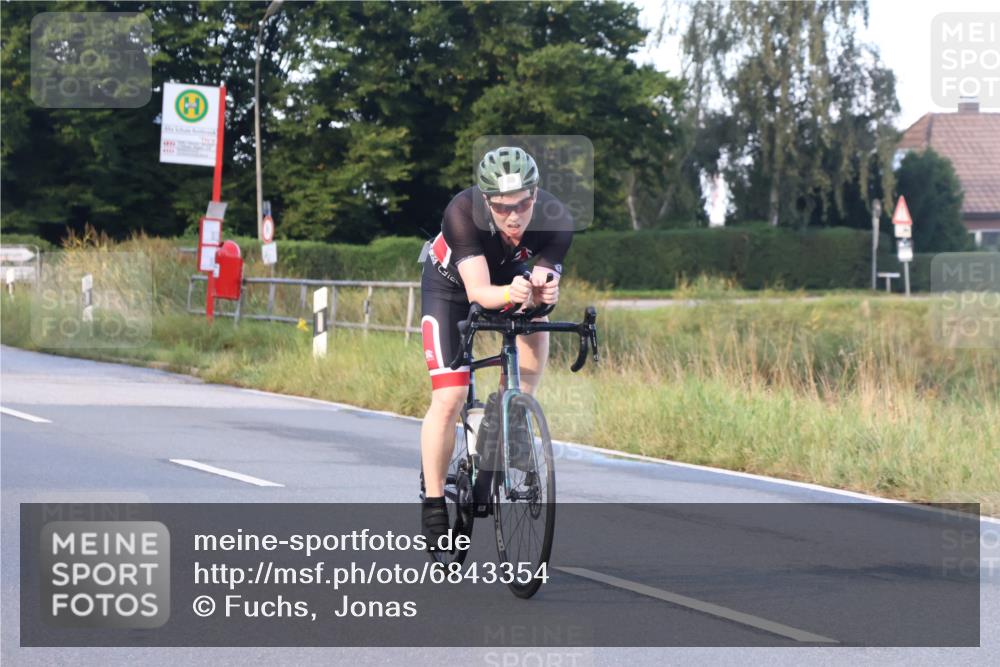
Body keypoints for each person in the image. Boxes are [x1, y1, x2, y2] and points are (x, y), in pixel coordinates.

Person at [419, 147, 573, 547]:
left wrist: (543, 293)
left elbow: (541, 288)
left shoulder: (557, 221)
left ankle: (512, 408)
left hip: (508, 280)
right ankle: (434, 502)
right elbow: (480, 292)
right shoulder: (462, 211)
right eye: (503, 207)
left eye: (523, 204)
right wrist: (512, 291)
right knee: (450, 395)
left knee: (536, 319)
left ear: (536, 196)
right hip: (451, 287)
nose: (514, 216)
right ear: (487, 201)